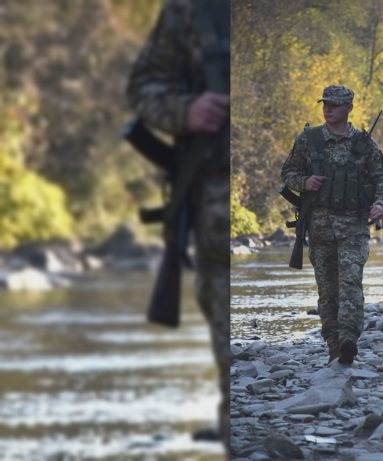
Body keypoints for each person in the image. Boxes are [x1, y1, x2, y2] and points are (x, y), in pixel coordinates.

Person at [126, 0, 231, 448]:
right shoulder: (189, 11)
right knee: (219, 306)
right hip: (209, 194)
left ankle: (234, 426)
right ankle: (234, 425)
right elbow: (143, 86)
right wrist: (185, 110)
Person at [280, 85, 383, 365]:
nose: (328, 108)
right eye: (325, 103)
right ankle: (333, 345)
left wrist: (380, 204)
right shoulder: (309, 140)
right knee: (327, 290)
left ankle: (348, 340)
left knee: (351, 283)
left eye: (335, 104)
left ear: (349, 108)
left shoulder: (365, 145)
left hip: (354, 226)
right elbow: (288, 173)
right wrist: (304, 182)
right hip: (318, 227)